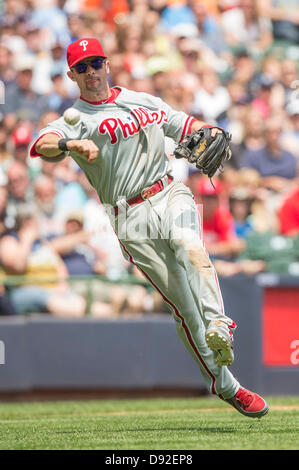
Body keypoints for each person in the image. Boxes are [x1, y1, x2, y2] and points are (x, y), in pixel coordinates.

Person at [30, 37, 268, 418]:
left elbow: (184, 125)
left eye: (96, 63)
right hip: (130, 215)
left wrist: (204, 128)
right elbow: (42, 143)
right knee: (183, 308)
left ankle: (220, 323)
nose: (91, 72)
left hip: (169, 190)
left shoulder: (144, 101)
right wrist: (73, 146)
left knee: (190, 244)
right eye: (82, 67)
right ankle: (228, 386)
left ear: (107, 64)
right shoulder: (75, 119)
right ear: (71, 74)